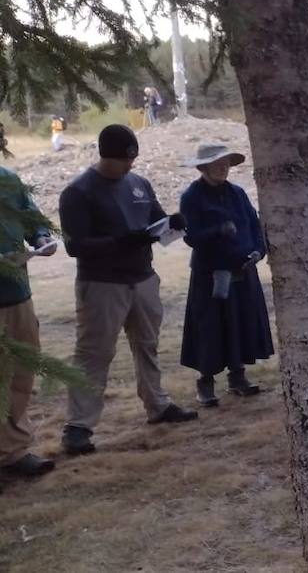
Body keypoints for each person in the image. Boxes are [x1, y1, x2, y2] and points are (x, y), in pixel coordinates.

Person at [58, 124, 198, 455]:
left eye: (133, 159)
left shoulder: (139, 183)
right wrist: (119, 242)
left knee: (147, 345)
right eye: (123, 160)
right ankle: (78, 426)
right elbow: (75, 246)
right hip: (103, 283)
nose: (129, 166)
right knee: (94, 353)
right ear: (106, 155)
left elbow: (157, 222)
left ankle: (158, 404)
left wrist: (174, 223)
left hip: (143, 277)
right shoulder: (78, 192)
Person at [0, 117, 57, 497]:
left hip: (18, 295)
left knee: (18, 376)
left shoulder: (7, 179)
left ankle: (13, 451)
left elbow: (31, 219)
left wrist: (41, 237)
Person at [178, 144, 272, 407]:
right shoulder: (192, 197)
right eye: (217, 163)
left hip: (242, 268)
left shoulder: (238, 194)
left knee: (241, 321)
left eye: (226, 163)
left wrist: (258, 250)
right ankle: (205, 383)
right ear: (203, 167)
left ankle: (238, 376)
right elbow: (191, 237)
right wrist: (218, 231)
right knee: (209, 327)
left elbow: (255, 225)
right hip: (211, 273)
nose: (223, 167)